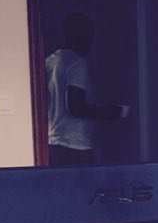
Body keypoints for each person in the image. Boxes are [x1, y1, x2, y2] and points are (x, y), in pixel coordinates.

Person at [45, 12, 128, 165]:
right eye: (88, 34)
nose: (91, 39)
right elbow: (76, 107)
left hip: (52, 142)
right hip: (75, 145)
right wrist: (111, 112)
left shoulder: (50, 61)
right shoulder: (77, 64)